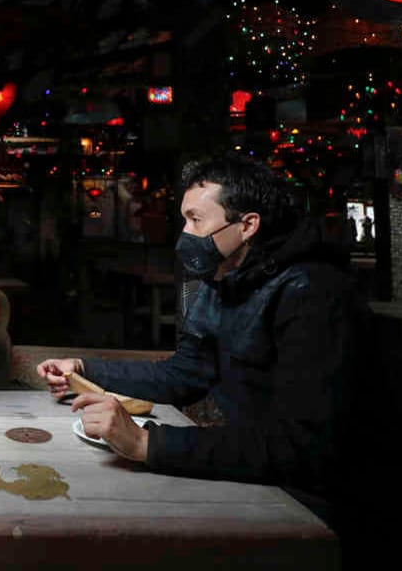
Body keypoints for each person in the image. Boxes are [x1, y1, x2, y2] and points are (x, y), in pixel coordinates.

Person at [38, 152, 368, 501]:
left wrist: (145, 443)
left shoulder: (313, 293)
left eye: (196, 220)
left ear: (247, 225)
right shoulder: (220, 280)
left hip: (309, 498)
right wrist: (85, 370)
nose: (185, 234)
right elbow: (182, 376)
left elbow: (302, 447)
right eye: (184, 220)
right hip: (256, 474)